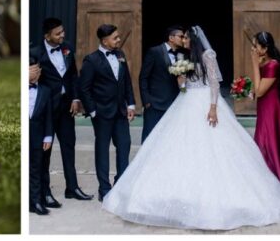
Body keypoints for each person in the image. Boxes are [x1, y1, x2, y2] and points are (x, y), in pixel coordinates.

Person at [103, 26, 280, 230]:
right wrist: (181, 81)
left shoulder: (208, 55)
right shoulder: (185, 57)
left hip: (205, 103)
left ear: (193, 39)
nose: (183, 40)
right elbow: (186, 87)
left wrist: (213, 108)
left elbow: (214, 83)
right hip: (186, 103)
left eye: (186, 37)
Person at [29, 17, 92, 208]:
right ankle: (45, 192)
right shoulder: (35, 52)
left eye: (62, 31)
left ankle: (72, 187)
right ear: (47, 36)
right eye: (58, 33)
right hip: (46, 110)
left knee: (68, 148)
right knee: (44, 153)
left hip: (66, 108)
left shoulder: (68, 48)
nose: (62, 35)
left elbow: (73, 75)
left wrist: (75, 98)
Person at [78, 24, 135, 201]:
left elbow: (126, 82)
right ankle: (104, 188)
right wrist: (93, 111)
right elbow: (84, 88)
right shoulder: (91, 60)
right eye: (115, 38)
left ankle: (121, 183)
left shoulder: (121, 55)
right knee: (102, 150)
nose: (118, 40)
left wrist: (131, 105)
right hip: (101, 113)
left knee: (124, 146)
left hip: (120, 112)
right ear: (104, 41)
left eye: (118, 37)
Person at [138, 25, 186, 142]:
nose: (183, 39)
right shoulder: (154, 51)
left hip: (174, 104)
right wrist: (147, 101)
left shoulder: (181, 55)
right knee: (149, 138)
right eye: (181, 36)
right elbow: (143, 77)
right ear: (171, 37)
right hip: (155, 104)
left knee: (168, 139)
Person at [251, 31, 280, 180]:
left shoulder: (273, 65)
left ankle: (271, 171)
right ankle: (263, 170)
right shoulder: (265, 62)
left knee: (267, 137)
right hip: (263, 105)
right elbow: (257, 87)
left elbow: (260, 91)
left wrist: (255, 65)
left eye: (255, 46)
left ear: (265, 48)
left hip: (270, 106)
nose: (253, 49)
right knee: (262, 134)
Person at [28, 58, 53, 215]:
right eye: (32, 70)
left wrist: (48, 136)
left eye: (38, 70)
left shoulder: (45, 90)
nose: (36, 73)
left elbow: (48, 116)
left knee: (36, 168)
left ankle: (36, 201)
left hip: (38, 134)